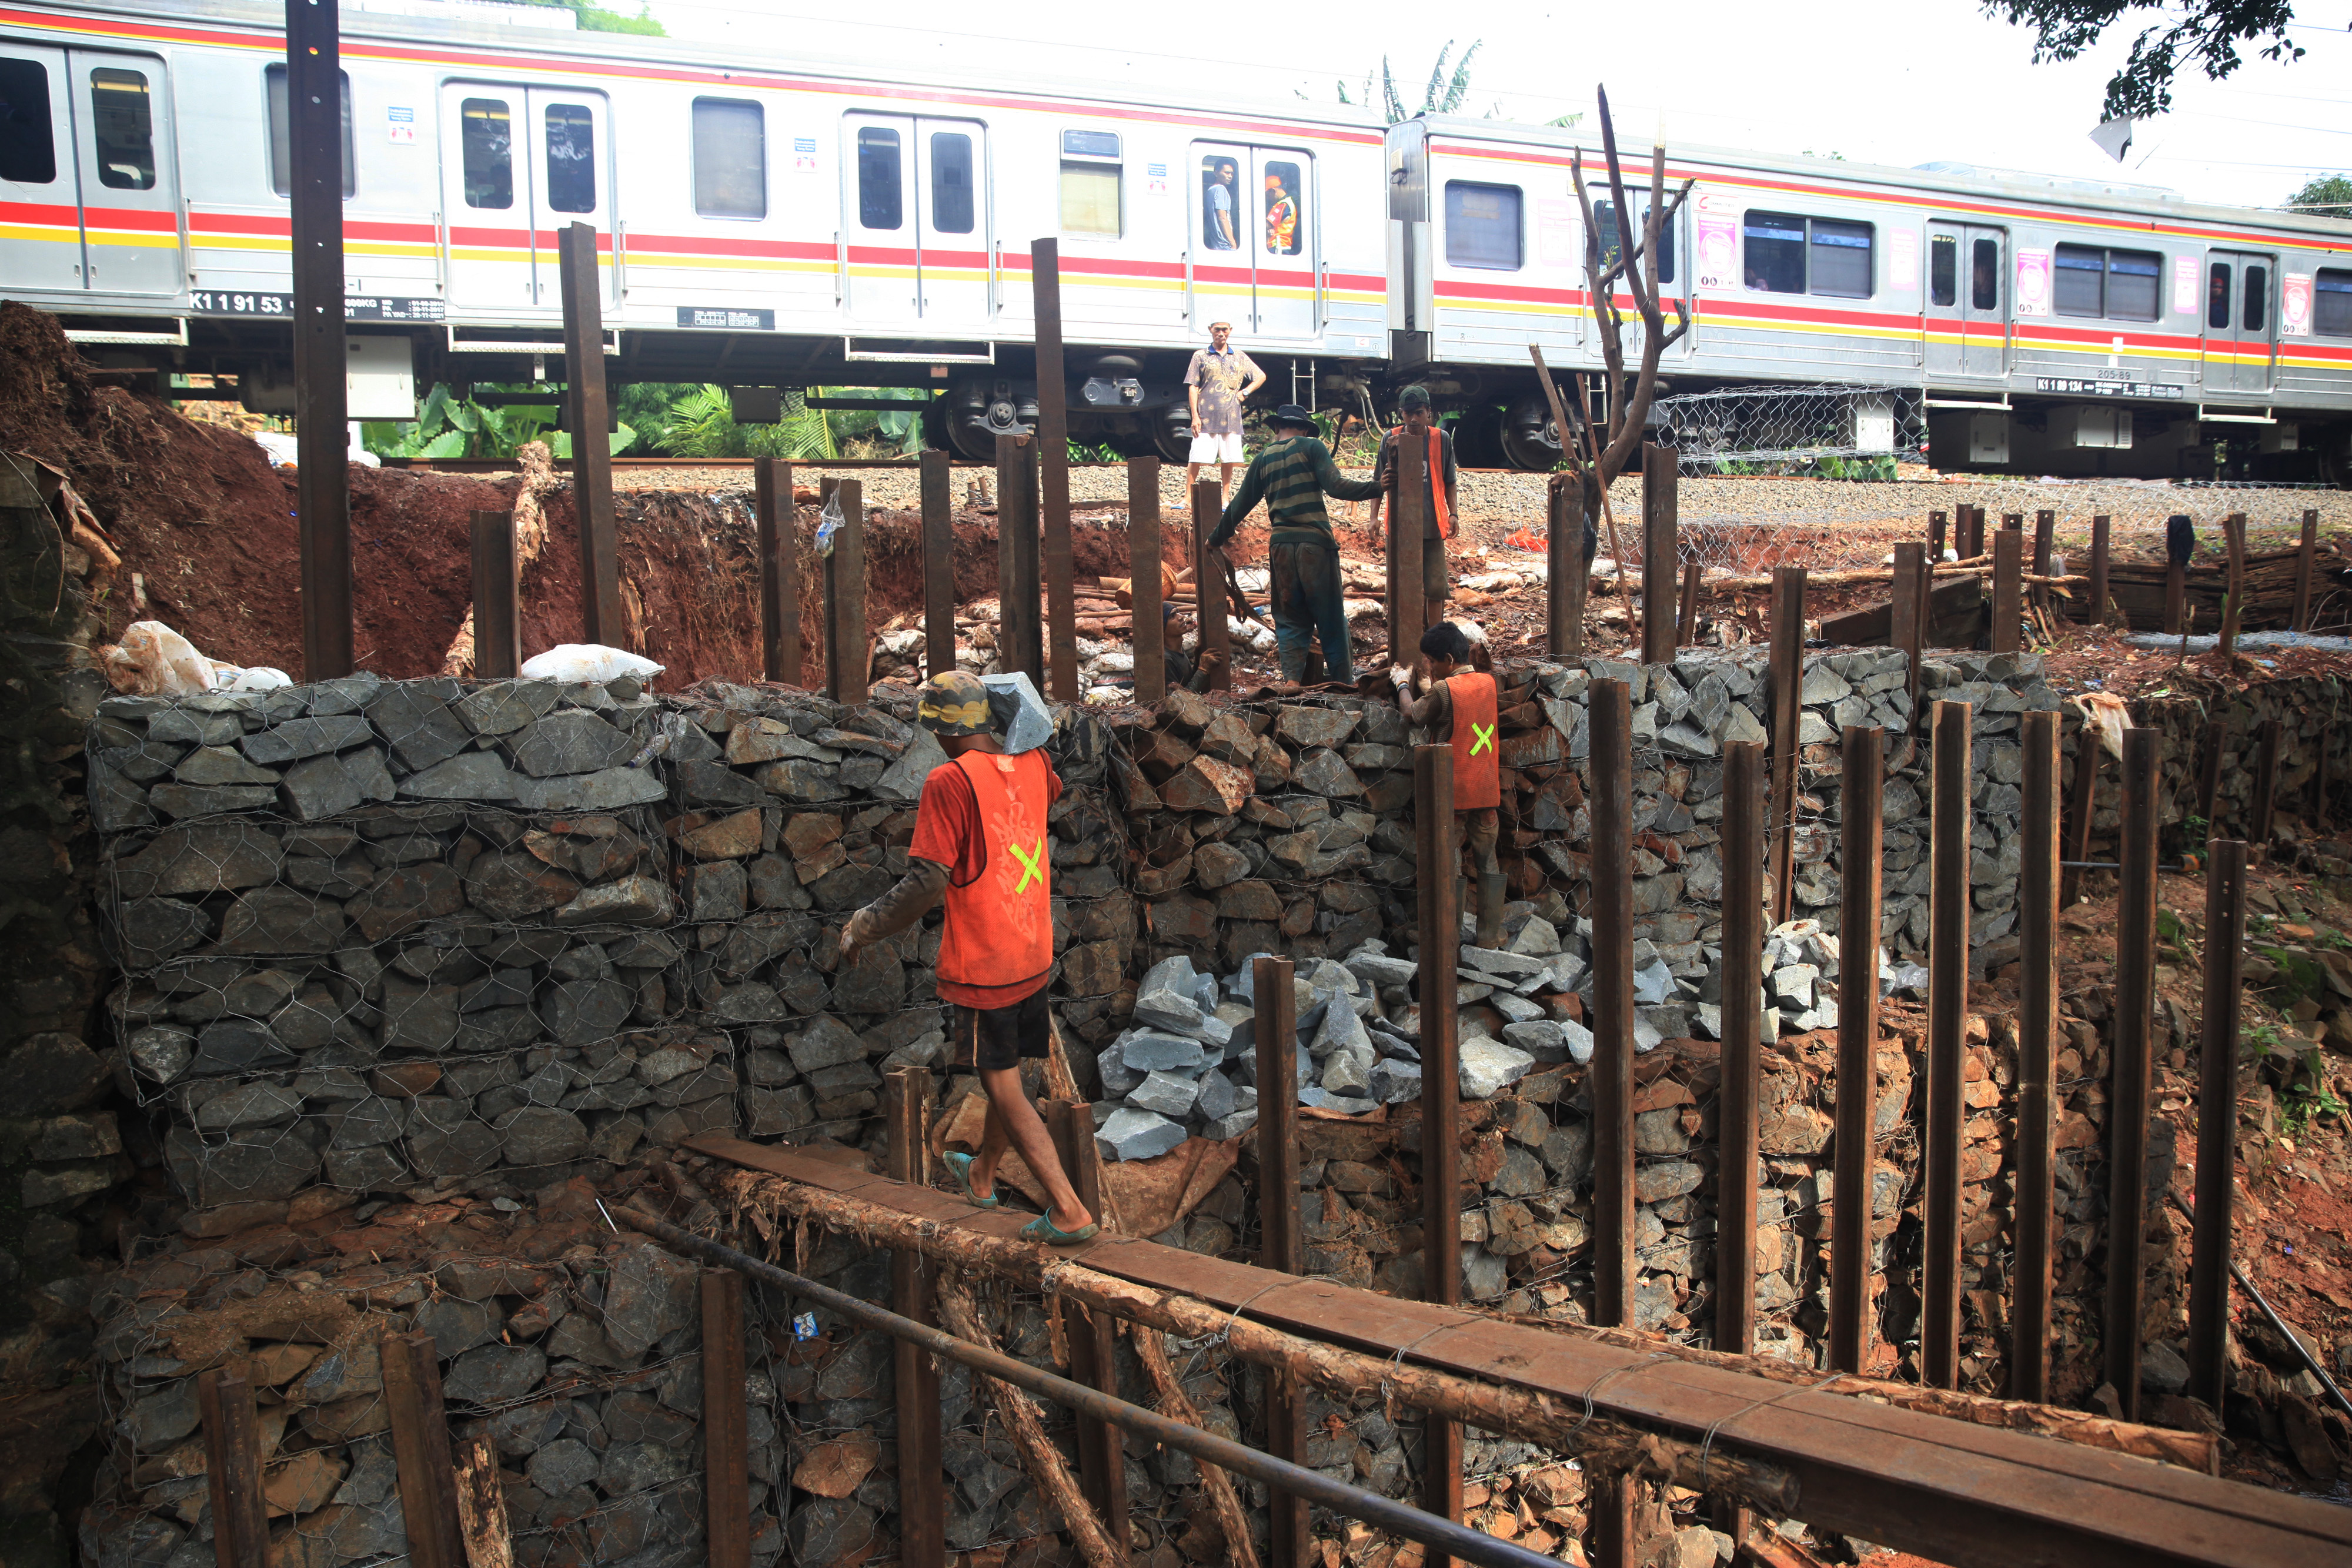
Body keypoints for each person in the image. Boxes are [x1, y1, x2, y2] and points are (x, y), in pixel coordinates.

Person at [837, 671, 1097, 1246]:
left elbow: (927, 881)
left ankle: (1068, 1209)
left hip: (987, 961)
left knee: (1001, 1084)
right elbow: (1042, 776)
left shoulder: (949, 781)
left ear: (939, 729)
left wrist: (862, 927)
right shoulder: (1034, 764)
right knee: (1011, 1072)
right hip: (1033, 947)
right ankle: (981, 1174)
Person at [1207, 403, 1381, 685]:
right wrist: (1378, 486)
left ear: (1277, 427)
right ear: (1305, 429)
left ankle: (1292, 682)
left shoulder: (1263, 458)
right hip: (1315, 545)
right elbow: (1336, 486)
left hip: (1282, 548)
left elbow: (1239, 505)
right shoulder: (1312, 447)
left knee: (1290, 618)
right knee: (1330, 618)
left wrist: (1215, 539)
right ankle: (1342, 684)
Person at [1391, 620, 1505, 945]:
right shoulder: (1488, 682)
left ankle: (1446, 936)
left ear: (1449, 660)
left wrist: (1402, 684)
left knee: (1447, 862)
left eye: (1432, 661)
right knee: (1488, 860)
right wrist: (1432, 684)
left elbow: (1413, 714)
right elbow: (1461, 705)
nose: (1429, 666)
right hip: (1486, 788)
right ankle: (1490, 935)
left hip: (1453, 791)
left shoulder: (1444, 690)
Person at [1375, 386, 1459, 635]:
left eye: (1419, 413)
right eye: (1408, 413)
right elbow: (1378, 480)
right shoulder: (1391, 438)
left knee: (1436, 585)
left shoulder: (1441, 439)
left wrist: (1454, 514)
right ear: (1401, 414)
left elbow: (1450, 480)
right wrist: (1373, 518)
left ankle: (1434, 636)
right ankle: (1405, 635)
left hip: (1432, 524)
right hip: (1399, 526)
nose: (1413, 419)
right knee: (1400, 584)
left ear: (1428, 412)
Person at [1184, 319, 1265, 496]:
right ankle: (1187, 498)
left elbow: (1260, 376)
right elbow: (1193, 387)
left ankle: (1225, 497)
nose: (1221, 333)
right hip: (1205, 416)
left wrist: (1245, 392)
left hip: (1231, 415)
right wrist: (1195, 416)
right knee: (1195, 457)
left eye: (1225, 330)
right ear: (1210, 330)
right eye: (1217, 330)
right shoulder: (1200, 356)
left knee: (1228, 459)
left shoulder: (1239, 356)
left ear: (1230, 331)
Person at [1202, 159, 1238, 250]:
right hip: (1224, 244)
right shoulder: (1221, 190)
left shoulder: (1209, 191)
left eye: (1232, 174)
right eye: (1227, 173)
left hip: (1215, 243)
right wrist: (1232, 242)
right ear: (1216, 173)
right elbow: (1222, 218)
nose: (1230, 176)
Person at [1265, 170, 1297, 253]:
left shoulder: (1283, 205)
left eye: (1267, 195)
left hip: (1277, 247)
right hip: (1282, 245)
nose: (1267, 198)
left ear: (1273, 191)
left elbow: (1267, 224)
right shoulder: (1288, 202)